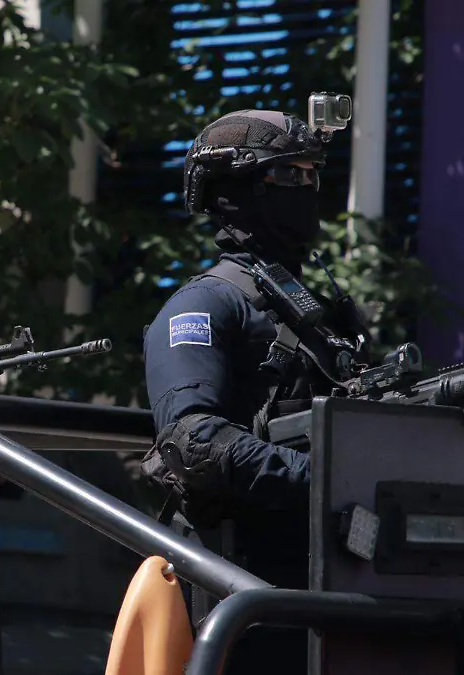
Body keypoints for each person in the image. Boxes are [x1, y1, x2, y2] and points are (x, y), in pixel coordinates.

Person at [140, 109, 369, 673]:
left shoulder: (322, 319)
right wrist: (324, 480)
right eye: (289, 175)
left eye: (313, 174)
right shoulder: (204, 306)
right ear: (234, 189)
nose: (307, 189)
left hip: (331, 590)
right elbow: (193, 441)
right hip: (243, 600)